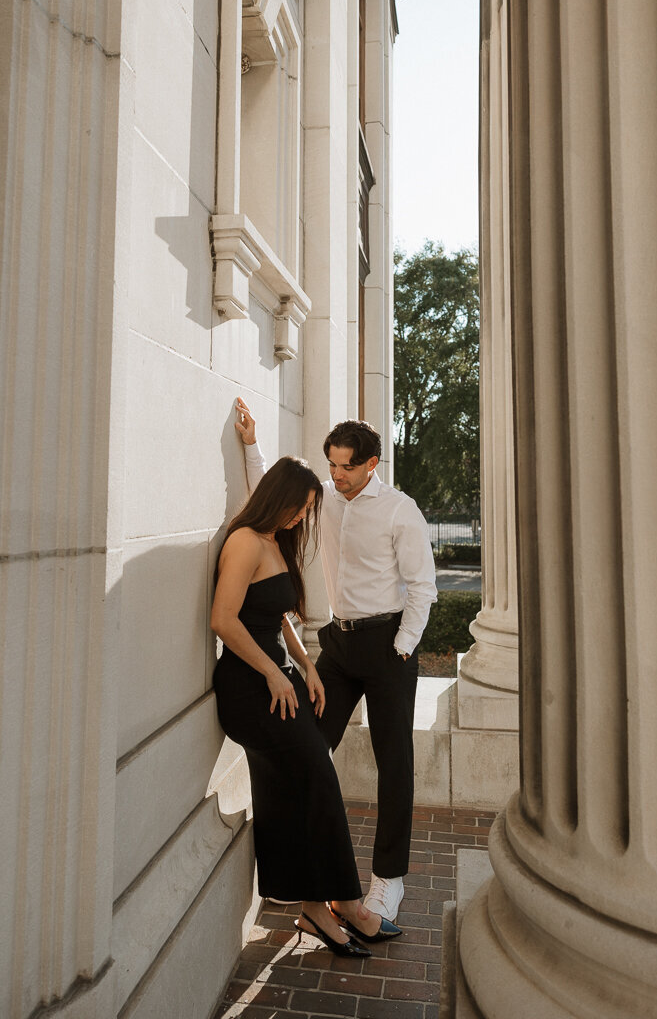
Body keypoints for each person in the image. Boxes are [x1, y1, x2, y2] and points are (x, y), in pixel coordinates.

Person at [235, 401, 437, 923]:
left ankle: (388, 882)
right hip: (339, 647)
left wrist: (402, 646)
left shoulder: (400, 509)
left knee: (395, 764)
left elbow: (423, 587)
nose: (337, 475)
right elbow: (273, 496)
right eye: (332, 465)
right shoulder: (325, 498)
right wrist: (252, 444)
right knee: (304, 747)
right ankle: (300, 873)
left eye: (347, 465)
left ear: (372, 463)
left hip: (390, 644)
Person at [211, 453, 402, 955]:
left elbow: (279, 618)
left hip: (279, 681)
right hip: (249, 689)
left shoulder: (274, 540)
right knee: (318, 777)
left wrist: (307, 664)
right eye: (297, 507)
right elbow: (224, 620)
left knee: (288, 788)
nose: (301, 517)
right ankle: (344, 904)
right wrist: (275, 671)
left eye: (307, 510)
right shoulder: (244, 542)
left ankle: (318, 907)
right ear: (278, 498)